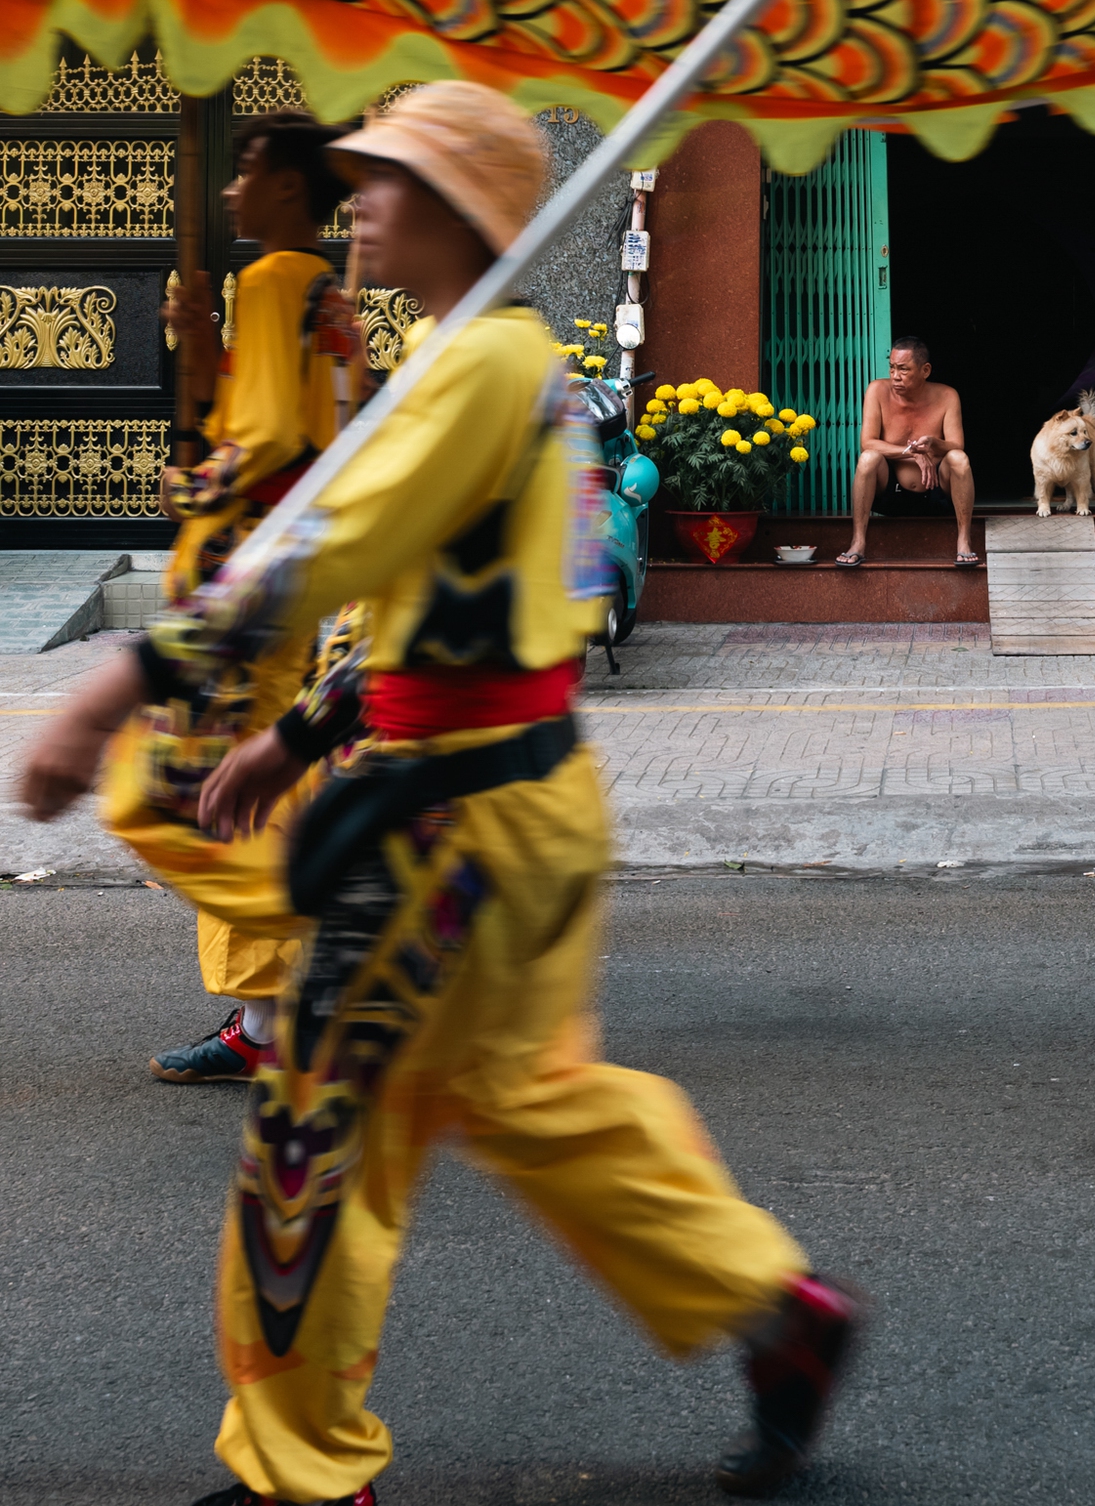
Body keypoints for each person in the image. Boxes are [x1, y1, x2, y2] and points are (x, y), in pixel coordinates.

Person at [18, 82, 860, 1506]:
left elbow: (322, 547)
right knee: (537, 1106)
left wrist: (118, 687)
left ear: (466, 210)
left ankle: (298, 1466)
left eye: (388, 179)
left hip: (442, 837)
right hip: (516, 808)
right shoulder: (510, 368)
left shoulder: (475, 370)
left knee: (312, 1135)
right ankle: (779, 1312)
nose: (359, 203)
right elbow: (457, 603)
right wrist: (301, 735)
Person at [141, 111, 359, 1084]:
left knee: (215, 790)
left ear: (287, 187)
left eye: (248, 170)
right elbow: (248, 405)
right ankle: (283, 996)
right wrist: (198, 346)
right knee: (264, 772)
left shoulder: (273, 279)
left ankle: (268, 1013)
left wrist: (191, 487)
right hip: (292, 574)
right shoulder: (322, 288)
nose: (231, 188)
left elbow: (264, 438)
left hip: (244, 566)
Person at [839, 334, 979, 568]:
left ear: (925, 370)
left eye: (903, 369)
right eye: (892, 368)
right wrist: (910, 452)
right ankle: (858, 542)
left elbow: (957, 445)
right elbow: (868, 443)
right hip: (890, 494)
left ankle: (964, 541)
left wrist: (934, 444)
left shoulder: (947, 396)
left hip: (936, 492)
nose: (895, 376)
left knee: (959, 458)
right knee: (868, 458)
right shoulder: (877, 390)